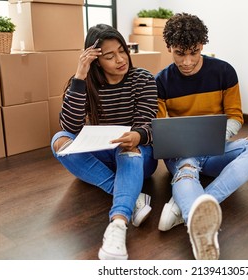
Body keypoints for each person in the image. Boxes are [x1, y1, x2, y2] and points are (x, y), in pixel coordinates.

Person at [155, 13, 248, 260]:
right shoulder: (161, 81)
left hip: (216, 148)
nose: (187, 61)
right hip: (181, 154)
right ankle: (200, 229)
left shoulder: (224, 72)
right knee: (187, 164)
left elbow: (235, 116)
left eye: (194, 52)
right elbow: (160, 126)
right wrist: (184, 145)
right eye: (179, 53)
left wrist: (217, 137)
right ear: (169, 48)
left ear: (202, 47)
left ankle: (184, 205)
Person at [51, 24, 158, 260]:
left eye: (122, 51)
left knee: (127, 147)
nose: (120, 59)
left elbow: (149, 123)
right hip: (102, 152)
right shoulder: (84, 83)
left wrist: (137, 136)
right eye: (110, 56)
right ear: (96, 60)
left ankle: (118, 224)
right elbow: (69, 127)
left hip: (138, 155)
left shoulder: (143, 79)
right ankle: (132, 196)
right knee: (59, 140)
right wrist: (80, 75)